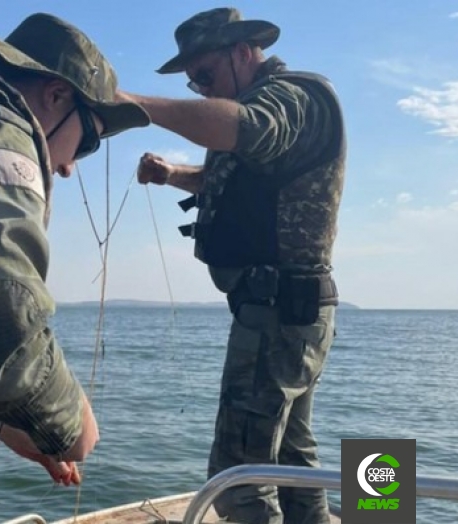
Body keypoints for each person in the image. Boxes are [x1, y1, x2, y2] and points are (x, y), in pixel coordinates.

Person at [115, 7, 345, 524]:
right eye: (194, 82)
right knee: (291, 456)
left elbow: (248, 130)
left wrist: (130, 103)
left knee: (238, 473)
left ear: (244, 53)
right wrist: (173, 173)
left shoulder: (290, 97)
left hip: (278, 311)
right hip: (288, 311)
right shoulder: (261, 110)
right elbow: (236, 177)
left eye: (205, 76)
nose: (201, 90)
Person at [0, 12, 150, 523]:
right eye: (90, 139)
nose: (72, 166)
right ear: (56, 95)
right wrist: (68, 424)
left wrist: (5, 423)